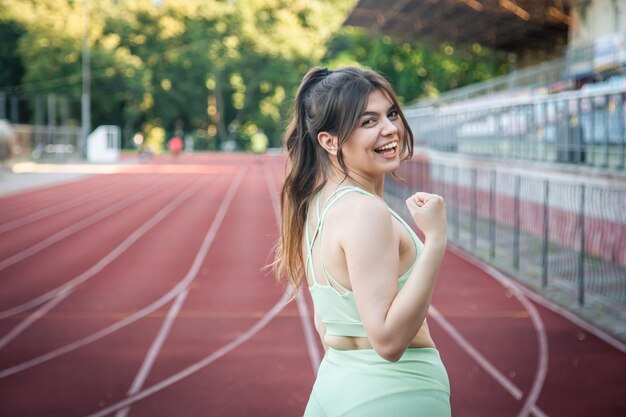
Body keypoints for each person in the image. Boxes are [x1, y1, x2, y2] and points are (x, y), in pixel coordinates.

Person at [272, 67, 450, 416]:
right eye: (368, 122)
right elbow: (387, 341)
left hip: (336, 385)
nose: (390, 129)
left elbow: (327, 324)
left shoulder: (317, 204)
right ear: (329, 141)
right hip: (394, 394)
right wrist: (437, 239)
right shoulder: (365, 212)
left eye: (391, 114)